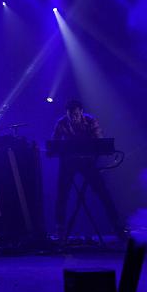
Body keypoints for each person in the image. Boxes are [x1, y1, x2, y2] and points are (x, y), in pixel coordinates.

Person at [52, 99, 124, 239]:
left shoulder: (91, 121)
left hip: (87, 162)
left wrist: (91, 151)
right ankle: (60, 229)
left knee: (103, 192)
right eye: (70, 115)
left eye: (75, 114)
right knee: (62, 194)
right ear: (66, 113)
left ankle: (118, 227)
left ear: (81, 112)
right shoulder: (61, 123)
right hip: (68, 162)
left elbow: (99, 143)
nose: (73, 118)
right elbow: (54, 145)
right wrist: (57, 150)